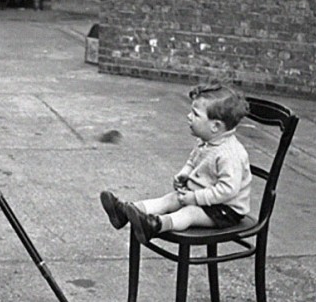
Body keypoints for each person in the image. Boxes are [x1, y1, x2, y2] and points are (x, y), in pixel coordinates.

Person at [101, 82, 252, 244]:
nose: (189, 116)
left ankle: (155, 226)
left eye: (195, 114)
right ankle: (125, 212)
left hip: (226, 210)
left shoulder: (229, 154)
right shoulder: (206, 141)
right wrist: (185, 173)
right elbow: (193, 161)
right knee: (170, 199)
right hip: (203, 197)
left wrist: (195, 198)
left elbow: (228, 190)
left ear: (215, 126)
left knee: (190, 213)